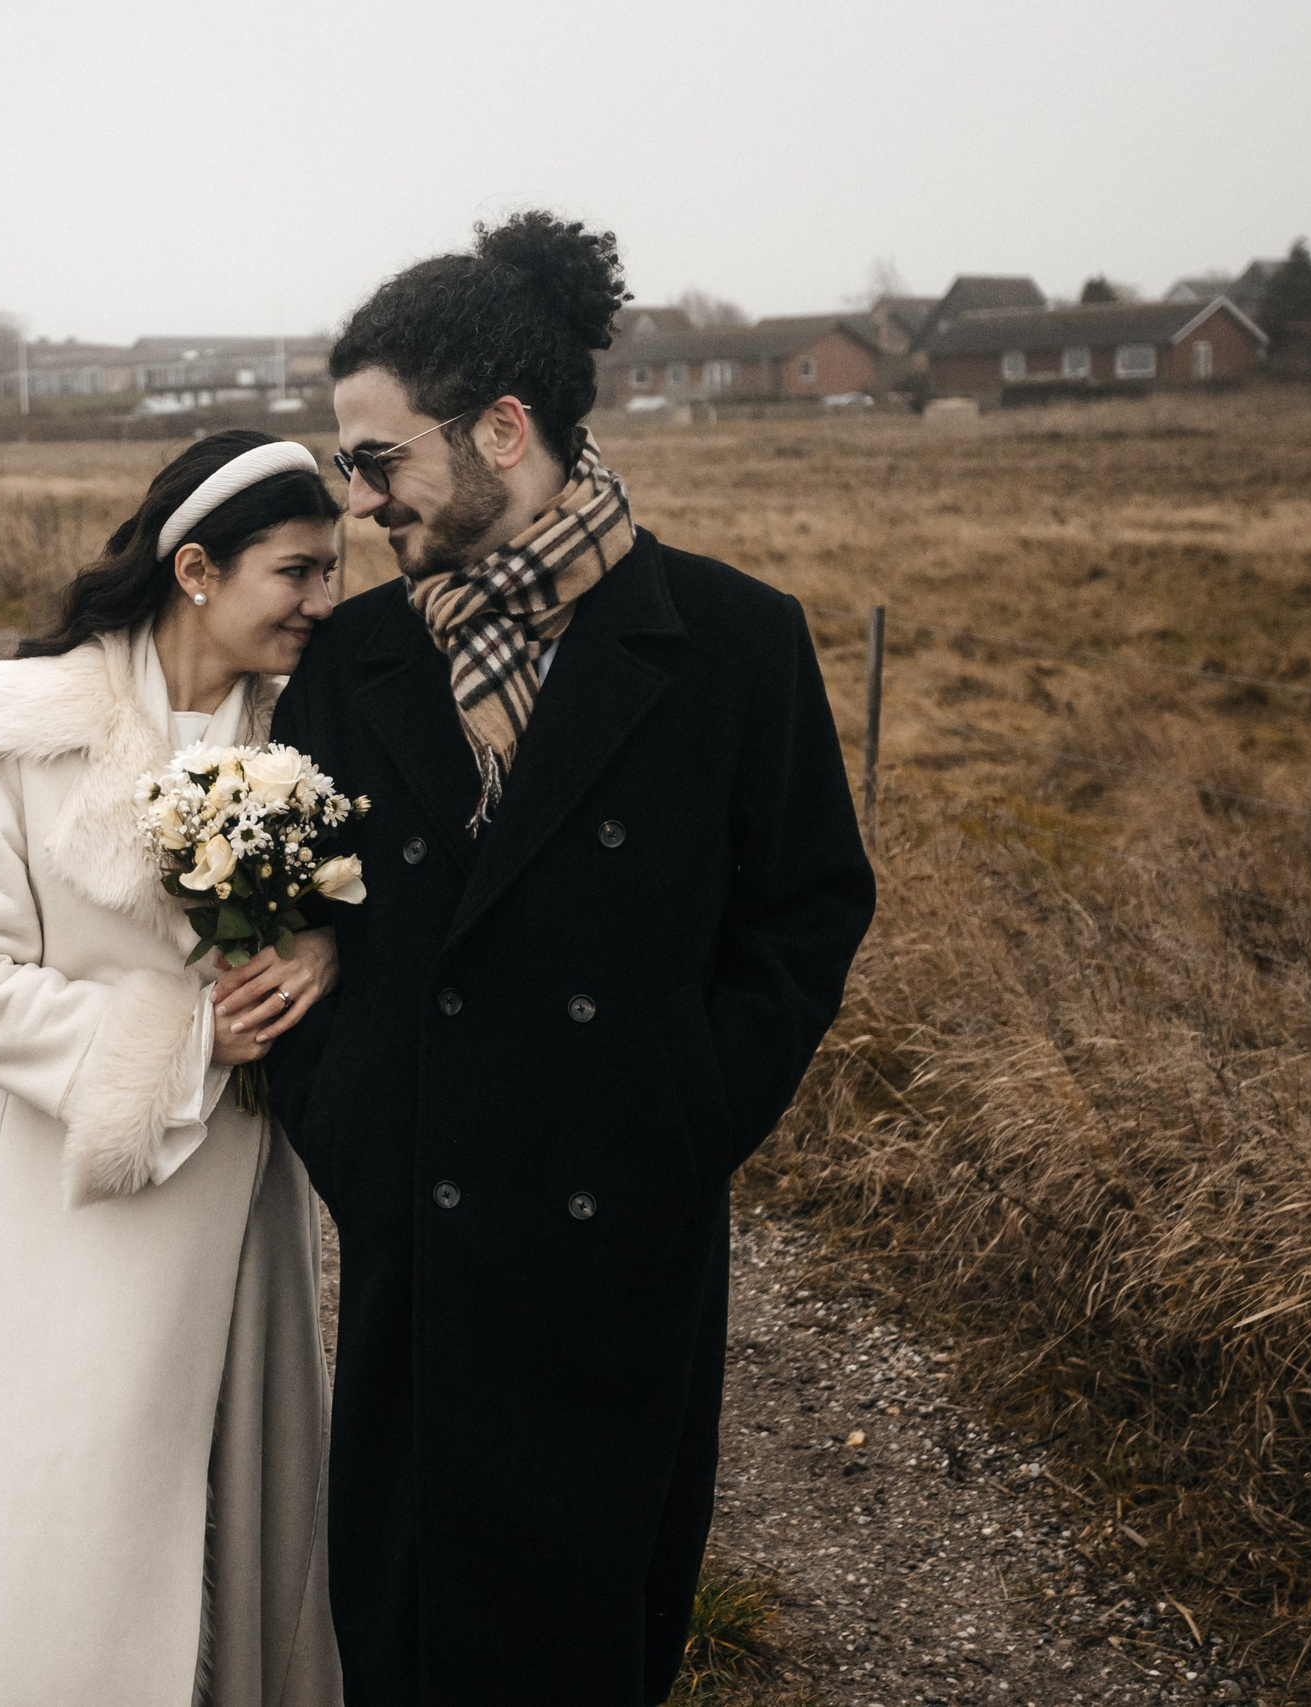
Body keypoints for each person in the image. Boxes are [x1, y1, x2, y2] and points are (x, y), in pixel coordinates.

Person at [265, 213, 877, 1705]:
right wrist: (356, 1118)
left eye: (378, 459)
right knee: (406, 1634)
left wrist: (683, 1112)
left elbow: (806, 908)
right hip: (426, 1233)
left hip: (626, 1237)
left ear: (504, 429)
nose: (357, 501)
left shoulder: (733, 644)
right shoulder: (359, 664)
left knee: (595, 1638)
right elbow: (288, 904)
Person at [0, 430, 349, 1706]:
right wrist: (181, 1040)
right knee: (69, 1526)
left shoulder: (314, 735)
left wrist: (324, 946)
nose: (324, 601)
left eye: (334, 571)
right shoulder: (32, 732)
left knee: (240, 1519)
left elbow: (379, 913)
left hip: (245, 1205)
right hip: (79, 1216)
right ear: (197, 568)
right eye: (299, 571)